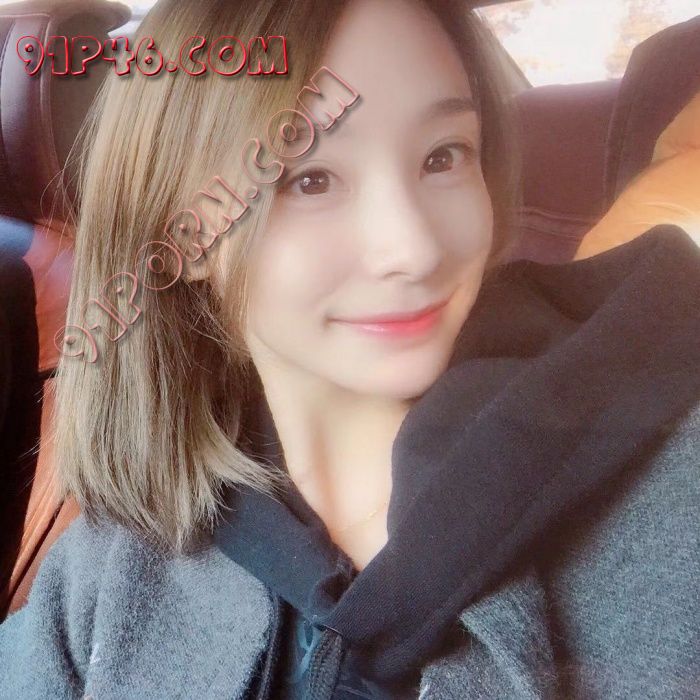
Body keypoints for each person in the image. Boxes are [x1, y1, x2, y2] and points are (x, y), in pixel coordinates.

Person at [1, 0, 698, 698]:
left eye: (443, 156)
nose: (414, 248)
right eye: (309, 179)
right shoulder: (112, 566)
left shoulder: (673, 502)